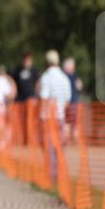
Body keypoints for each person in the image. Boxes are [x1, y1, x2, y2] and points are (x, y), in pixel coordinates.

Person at [37, 49, 73, 182]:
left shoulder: (46, 77)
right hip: (60, 117)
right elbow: (68, 100)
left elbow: (44, 98)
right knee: (59, 146)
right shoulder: (64, 78)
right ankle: (60, 173)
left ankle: (51, 175)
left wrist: (40, 117)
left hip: (48, 117)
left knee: (49, 147)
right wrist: (60, 112)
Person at [63, 57, 83, 144]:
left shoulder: (63, 76)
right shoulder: (75, 76)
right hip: (73, 102)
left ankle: (67, 139)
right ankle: (75, 140)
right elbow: (80, 86)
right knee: (75, 123)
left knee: (67, 122)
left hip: (65, 103)